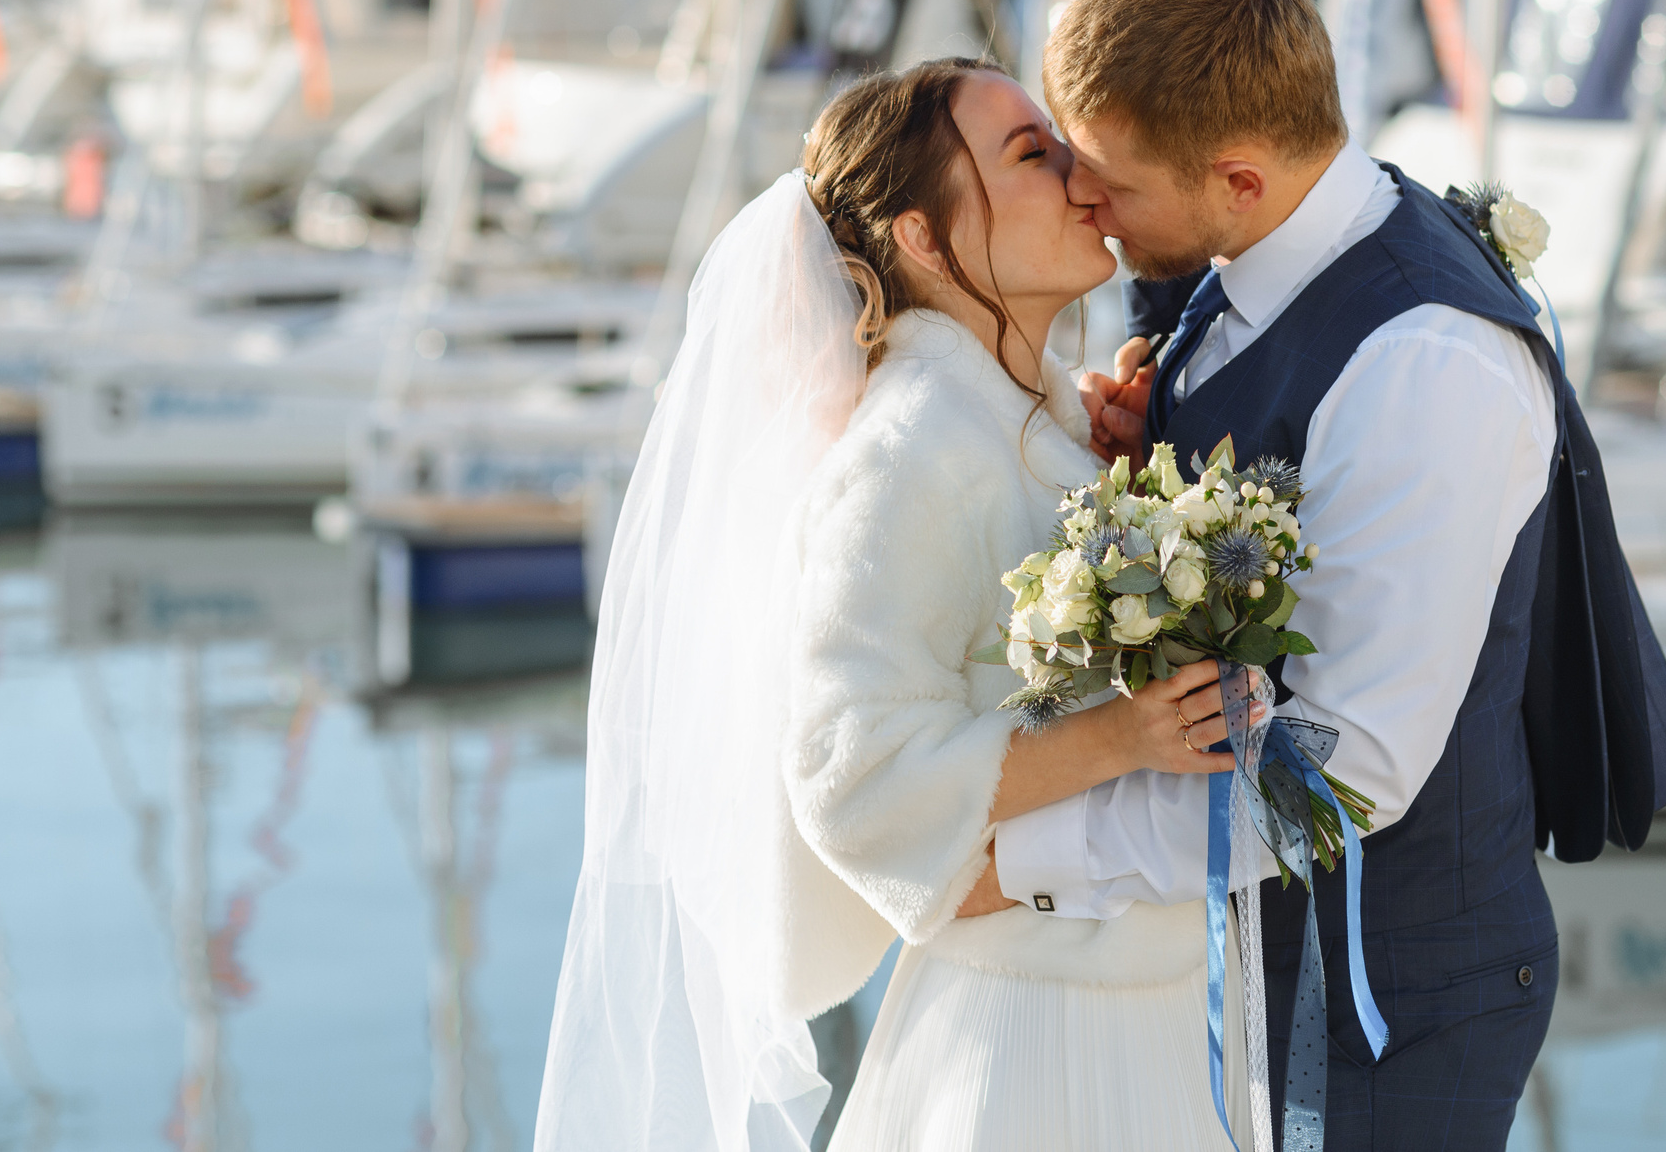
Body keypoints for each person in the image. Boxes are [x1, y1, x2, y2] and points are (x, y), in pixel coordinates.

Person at [999, 0, 1666, 1149]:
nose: (1081, 193)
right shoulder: (1262, 246)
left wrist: (1026, 854)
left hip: (1384, 1016)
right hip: (1236, 969)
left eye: (1108, 178)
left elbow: (1348, 763)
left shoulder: (1422, 366)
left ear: (1235, 176)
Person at [535, 57, 1256, 1152]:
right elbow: (851, 779)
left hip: (1151, 1011)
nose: (1080, 178)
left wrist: (1123, 457)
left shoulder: (1039, 421)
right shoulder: (911, 451)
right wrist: (1118, 737)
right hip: (1030, 1049)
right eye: (1031, 153)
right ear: (923, 237)